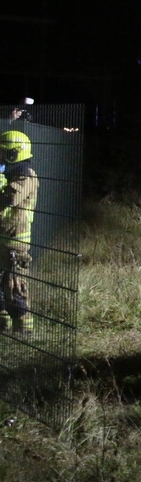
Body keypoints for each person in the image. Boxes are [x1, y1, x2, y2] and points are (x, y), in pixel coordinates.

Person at [0, 131, 38, 336]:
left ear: (15, 155)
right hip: (2, 238)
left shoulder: (26, 176)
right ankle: (3, 327)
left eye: (4, 153)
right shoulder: (11, 175)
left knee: (14, 286)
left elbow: (8, 200)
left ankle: (24, 331)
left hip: (16, 241)